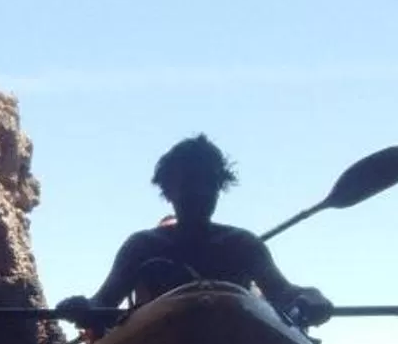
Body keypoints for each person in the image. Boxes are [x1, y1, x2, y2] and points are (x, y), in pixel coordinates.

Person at [57, 135, 333, 330]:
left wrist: (311, 296)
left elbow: (283, 292)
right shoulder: (142, 247)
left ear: (219, 188)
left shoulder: (241, 244)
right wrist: (84, 309)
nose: (200, 192)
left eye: (209, 183)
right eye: (189, 182)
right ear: (167, 189)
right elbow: (103, 305)